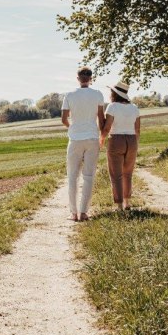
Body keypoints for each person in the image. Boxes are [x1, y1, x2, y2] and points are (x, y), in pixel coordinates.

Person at [61, 66, 106, 221]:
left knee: (72, 176)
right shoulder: (98, 94)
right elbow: (101, 118)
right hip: (92, 138)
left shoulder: (69, 95)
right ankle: (84, 213)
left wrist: (72, 126)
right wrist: (102, 135)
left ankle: (73, 213)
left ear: (78, 78)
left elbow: (63, 119)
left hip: (75, 139)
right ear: (91, 78)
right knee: (89, 176)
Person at [101, 81, 141, 211]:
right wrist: (135, 144)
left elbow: (107, 128)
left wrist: (101, 139)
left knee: (116, 174)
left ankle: (119, 205)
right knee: (128, 173)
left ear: (114, 94)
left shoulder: (112, 107)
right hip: (132, 140)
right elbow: (138, 130)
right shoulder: (135, 108)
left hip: (116, 139)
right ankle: (127, 203)